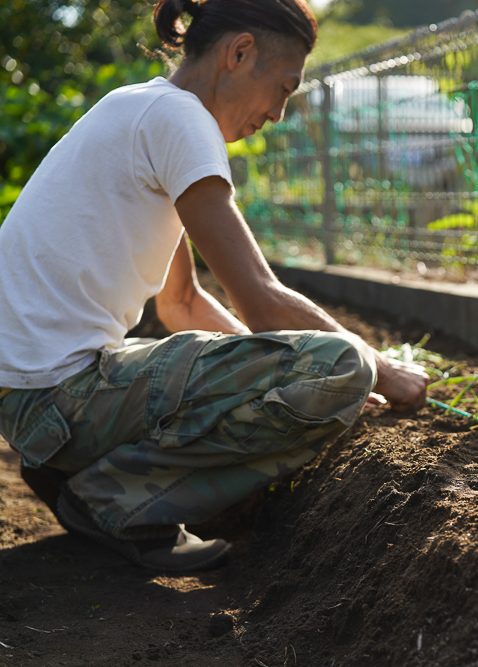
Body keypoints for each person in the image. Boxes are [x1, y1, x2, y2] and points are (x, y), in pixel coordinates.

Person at [0, 0, 428, 572]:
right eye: (283, 87)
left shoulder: (138, 107)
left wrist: (277, 364)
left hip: (33, 405)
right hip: (58, 398)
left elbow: (183, 304)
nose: (278, 113)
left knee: (326, 364)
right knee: (342, 363)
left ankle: (75, 471)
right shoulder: (181, 120)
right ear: (239, 53)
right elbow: (259, 296)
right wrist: (377, 369)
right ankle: (115, 497)